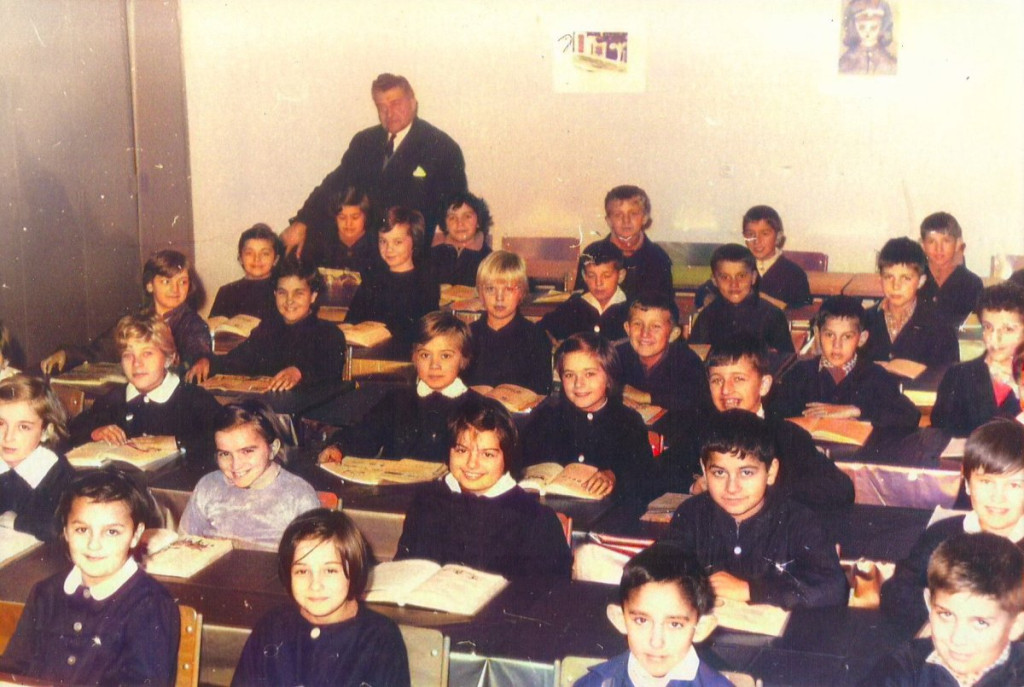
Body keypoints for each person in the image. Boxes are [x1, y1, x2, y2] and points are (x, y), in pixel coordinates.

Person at [0, 468, 179, 685]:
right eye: (82, 530)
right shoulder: (45, 593)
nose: (94, 545)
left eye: (112, 532)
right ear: (66, 531)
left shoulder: (150, 605)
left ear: (136, 535)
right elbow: (11, 670)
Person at [664, 410, 849, 609]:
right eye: (719, 473)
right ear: (704, 469)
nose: (732, 488)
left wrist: (751, 590)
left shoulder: (798, 520)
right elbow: (659, 566)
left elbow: (833, 588)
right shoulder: (691, 514)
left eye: (746, 473)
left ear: (771, 472)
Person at [281, 73, 467, 255]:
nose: (389, 113)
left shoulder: (441, 147)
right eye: (381, 106)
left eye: (395, 103)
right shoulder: (364, 141)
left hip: (409, 252)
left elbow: (456, 209)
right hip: (362, 247)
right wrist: (302, 221)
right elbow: (333, 184)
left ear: (413, 103)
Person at [663, 334, 854, 507]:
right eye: (717, 380)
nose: (726, 390)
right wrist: (693, 487)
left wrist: (761, 487)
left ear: (764, 385)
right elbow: (658, 475)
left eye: (738, 379)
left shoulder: (787, 435)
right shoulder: (700, 431)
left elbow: (840, 489)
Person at [395, 397, 572, 579]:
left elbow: (548, 591)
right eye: (462, 450)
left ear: (507, 457)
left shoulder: (535, 519)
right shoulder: (426, 503)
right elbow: (404, 573)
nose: (472, 464)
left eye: (487, 454)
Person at [231, 508, 410, 687]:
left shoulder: (380, 639)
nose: (315, 585)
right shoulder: (270, 628)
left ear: (355, 569)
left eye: (330, 570)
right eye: (302, 571)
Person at [881, 420, 1024, 634]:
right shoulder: (942, 535)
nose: (998, 497)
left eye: (1014, 485)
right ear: (967, 483)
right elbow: (896, 590)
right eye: (986, 482)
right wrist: (941, 616)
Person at [319, 312, 483, 464]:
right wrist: (339, 448)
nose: (434, 365)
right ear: (414, 358)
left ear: (463, 359)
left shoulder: (478, 408)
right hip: (394, 484)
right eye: (425, 355)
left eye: (445, 356)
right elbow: (364, 435)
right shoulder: (396, 400)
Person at [863, 532, 1024, 686]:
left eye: (980, 623)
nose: (957, 639)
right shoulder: (902, 670)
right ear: (929, 603)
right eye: (946, 614)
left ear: (1016, 626)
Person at [68, 314, 221, 473]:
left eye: (147, 353)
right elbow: (74, 429)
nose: (136, 363)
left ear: (168, 358)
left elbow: (222, 434)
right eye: (128, 355)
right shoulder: (114, 399)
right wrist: (95, 432)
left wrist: (176, 442)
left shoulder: (193, 399)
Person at [522, 332, 657, 507]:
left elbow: (643, 477)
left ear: (609, 378)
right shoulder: (546, 416)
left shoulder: (628, 422)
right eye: (569, 375)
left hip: (606, 513)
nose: (578, 384)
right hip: (546, 509)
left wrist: (614, 476)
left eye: (590, 374)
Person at [577, 543, 731, 687]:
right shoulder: (594, 683)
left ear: (701, 629)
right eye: (641, 620)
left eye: (675, 624)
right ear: (620, 620)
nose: (656, 642)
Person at [40, 249, 212, 374]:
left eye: (182, 282)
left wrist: (201, 361)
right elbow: (99, 350)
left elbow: (198, 349)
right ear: (150, 285)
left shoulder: (192, 323)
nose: (176, 289)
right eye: (166, 282)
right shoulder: (135, 320)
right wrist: (67, 355)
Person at [180, 401, 320, 551]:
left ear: (272, 449)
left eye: (247, 451)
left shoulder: (298, 496)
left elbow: (312, 556)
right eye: (225, 454)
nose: (235, 465)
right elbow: (184, 545)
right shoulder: (208, 486)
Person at [190, 258, 347, 389]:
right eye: (282, 293)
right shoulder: (268, 329)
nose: (289, 300)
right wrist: (208, 362)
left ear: (313, 296)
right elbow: (237, 360)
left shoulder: (329, 333)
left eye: (298, 293)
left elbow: (328, 370)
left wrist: (300, 372)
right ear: (275, 294)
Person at [771, 295, 920, 429]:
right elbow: (775, 414)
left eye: (847, 337)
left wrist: (857, 410)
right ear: (817, 334)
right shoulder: (800, 373)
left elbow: (910, 415)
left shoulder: (875, 375)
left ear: (861, 339)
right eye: (829, 335)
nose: (837, 345)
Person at [930, 282, 1024, 437]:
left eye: (1008, 329)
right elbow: (940, 434)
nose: (995, 338)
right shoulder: (958, 375)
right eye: (988, 327)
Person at [344, 206, 439, 344]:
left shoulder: (424, 285)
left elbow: (421, 334)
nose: (388, 249)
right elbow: (351, 320)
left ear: (415, 241)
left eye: (397, 242)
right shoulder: (371, 280)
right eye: (383, 241)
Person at [464, 250, 553, 395]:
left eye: (509, 289)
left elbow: (541, 391)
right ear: (480, 293)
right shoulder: (467, 335)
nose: (499, 298)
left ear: (522, 292)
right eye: (491, 289)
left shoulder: (535, 337)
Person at [863, 237, 959, 369]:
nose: (896, 286)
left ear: (920, 281)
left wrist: (912, 370)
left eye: (906, 278)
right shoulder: (865, 320)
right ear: (880, 279)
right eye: (889, 277)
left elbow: (950, 375)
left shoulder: (940, 325)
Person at [0, 375, 75, 541]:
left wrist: (18, 522)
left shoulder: (56, 473)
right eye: (1, 424)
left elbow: (58, 526)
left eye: (23, 427)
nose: (8, 437)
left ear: (45, 432)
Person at [616, 292, 711, 419]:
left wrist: (645, 397)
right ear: (627, 328)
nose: (645, 333)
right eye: (637, 324)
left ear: (673, 334)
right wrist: (616, 398)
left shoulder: (686, 360)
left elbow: (695, 397)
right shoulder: (616, 356)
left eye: (655, 326)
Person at [688, 243, 794, 353]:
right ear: (714, 280)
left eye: (741, 276)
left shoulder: (772, 316)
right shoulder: (707, 317)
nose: (734, 284)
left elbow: (785, 359)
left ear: (753, 277)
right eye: (725, 277)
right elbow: (694, 359)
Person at [574, 185, 673, 300]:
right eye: (618, 215)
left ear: (645, 218)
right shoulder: (593, 253)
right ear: (609, 221)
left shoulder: (658, 257)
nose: (626, 221)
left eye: (633, 214)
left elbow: (667, 304)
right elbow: (580, 300)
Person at [540, 241, 630, 341]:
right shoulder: (572, 306)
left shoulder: (630, 309)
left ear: (620, 276)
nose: (598, 283)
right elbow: (541, 331)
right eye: (591, 276)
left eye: (606, 276)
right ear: (584, 276)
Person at [918, 211, 984, 328]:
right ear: (922, 245)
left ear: (958, 243)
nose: (939, 249)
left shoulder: (972, 283)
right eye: (931, 241)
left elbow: (975, 328)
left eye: (946, 241)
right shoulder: (914, 279)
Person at [208, 223, 283, 322]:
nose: (257, 259)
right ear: (240, 258)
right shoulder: (226, 292)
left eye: (265, 253)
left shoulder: (282, 289)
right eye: (249, 253)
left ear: (275, 259)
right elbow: (214, 326)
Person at [300, 186, 379, 277]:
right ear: (335, 217)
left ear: (365, 217)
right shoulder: (322, 242)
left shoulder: (376, 244)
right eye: (342, 217)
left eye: (355, 217)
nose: (348, 223)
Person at [430, 191, 493, 287]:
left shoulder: (489, 259)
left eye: (467, 216)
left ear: (478, 222)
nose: (460, 223)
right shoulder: (432, 256)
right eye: (452, 218)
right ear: (445, 225)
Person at [838, 0, 898, 76]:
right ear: (854, 27)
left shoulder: (891, 63)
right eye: (862, 27)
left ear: (882, 28)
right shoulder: (844, 62)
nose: (867, 32)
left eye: (873, 27)